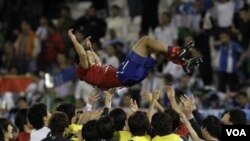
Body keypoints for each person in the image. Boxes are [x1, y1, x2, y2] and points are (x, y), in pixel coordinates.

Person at [68, 29, 202, 90]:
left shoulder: (95, 72)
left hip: (133, 77)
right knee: (146, 40)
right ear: (80, 62)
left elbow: (95, 60)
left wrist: (90, 49)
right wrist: (74, 40)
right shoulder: (83, 71)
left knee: (155, 50)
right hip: (125, 74)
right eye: (89, 55)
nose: (92, 56)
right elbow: (83, 56)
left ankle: (184, 62)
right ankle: (178, 52)